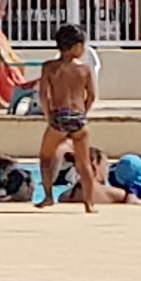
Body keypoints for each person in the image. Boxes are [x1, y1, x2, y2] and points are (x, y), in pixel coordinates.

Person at [34, 24, 100, 213]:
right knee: (84, 163)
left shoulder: (49, 67)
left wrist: (48, 115)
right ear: (76, 47)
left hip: (59, 116)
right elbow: (92, 95)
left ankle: (48, 197)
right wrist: (83, 113)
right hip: (78, 117)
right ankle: (89, 203)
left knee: (46, 158)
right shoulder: (85, 69)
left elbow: (44, 95)